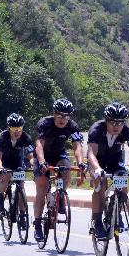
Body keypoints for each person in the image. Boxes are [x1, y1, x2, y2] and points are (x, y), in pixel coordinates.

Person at [33, 98, 86, 242]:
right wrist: (42, 162)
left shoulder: (72, 126)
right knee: (42, 190)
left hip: (59, 154)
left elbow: (77, 146)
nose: (63, 119)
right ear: (54, 113)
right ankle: (37, 224)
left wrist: (81, 162)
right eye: (60, 115)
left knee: (66, 168)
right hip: (43, 155)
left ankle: (61, 195)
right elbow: (39, 145)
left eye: (66, 116)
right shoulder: (44, 124)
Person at [86, 102, 129, 239]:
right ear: (106, 120)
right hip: (97, 160)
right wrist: (97, 169)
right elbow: (91, 154)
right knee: (101, 183)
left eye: (120, 123)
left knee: (122, 179)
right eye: (113, 122)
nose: (116, 126)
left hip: (115, 159)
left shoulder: (128, 131)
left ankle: (118, 211)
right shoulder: (96, 129)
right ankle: (97, 222)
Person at [0, 113, 34, 213]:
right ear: (8, 128)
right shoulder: (2, 138)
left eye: (19, 128)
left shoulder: (25, 138)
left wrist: (33, 164)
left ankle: (22, 214)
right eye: (13, 129)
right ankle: (0, 197)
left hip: (17, 160)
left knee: (21, 186)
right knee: (6, 177)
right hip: (5, 161)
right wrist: (0, 167)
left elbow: (31, 155)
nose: (17, 132)